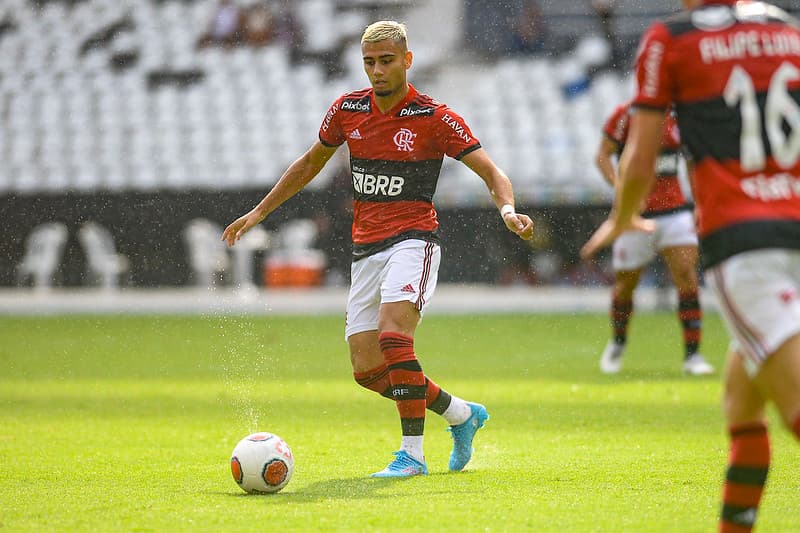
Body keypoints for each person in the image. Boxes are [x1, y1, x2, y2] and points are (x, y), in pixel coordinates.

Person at [222, 20, 534, 478]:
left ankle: (412, 456)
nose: (377, 70)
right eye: (369, 62)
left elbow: (491, 171)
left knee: (393, 339)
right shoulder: (348, 109)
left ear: (407, 60)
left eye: (387, 61)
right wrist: (259, 212)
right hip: (365, 249)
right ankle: (460, 414)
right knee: (367, 369)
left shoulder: (433, 117)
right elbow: (309, 163)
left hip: (413, 241)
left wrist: (507, 210)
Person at [580, 1, 800, 531]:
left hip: (746, 241)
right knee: (741, 402)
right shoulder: (784, 26)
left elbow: (639, 154)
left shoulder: (672, 38)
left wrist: (621, 217)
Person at [587, 101, 714, 376]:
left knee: (687, 276)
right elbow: (602, 155)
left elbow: (692, 162)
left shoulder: (681, 116)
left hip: (675, 213)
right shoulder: (625, 115)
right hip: (635, 214)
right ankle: (618, 342)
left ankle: (693, 355)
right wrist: (623, 191)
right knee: (625, 286)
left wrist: (699, 203)